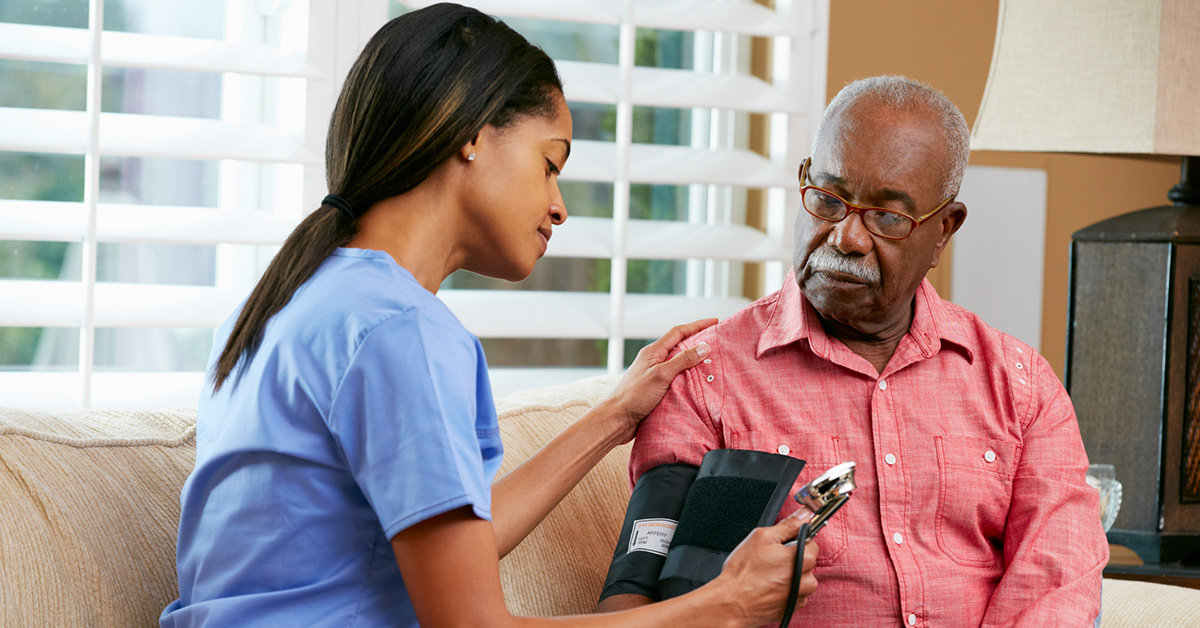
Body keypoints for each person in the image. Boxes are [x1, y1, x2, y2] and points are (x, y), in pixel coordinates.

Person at [159, 3, 819, 627]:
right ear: (471, 135)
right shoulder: (400, 331)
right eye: (550, 164)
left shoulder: (295, 301)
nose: (559, 206)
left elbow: (447, 553)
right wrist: (721, 606)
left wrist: (616, 415)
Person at [596, 75, 1109, 626]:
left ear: (943, 231)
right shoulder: (705, 376)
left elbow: (1056, 585)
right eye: (828, 199)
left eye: (887, 217)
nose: (847, 237)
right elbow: (638, 593)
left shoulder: (1020, 385)